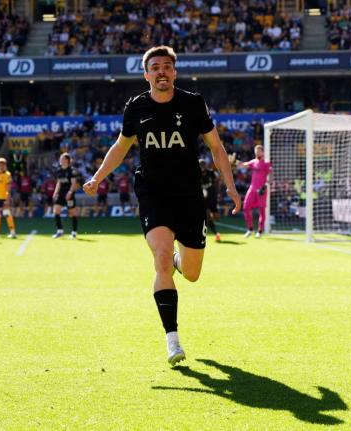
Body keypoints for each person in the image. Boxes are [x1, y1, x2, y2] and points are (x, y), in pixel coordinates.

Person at [82, 46, 241, 366]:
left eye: (167, 66)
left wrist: (231, 186)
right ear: (146, 75)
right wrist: (98, 177)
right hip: (153, 192)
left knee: (192, 274)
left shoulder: (193, 103)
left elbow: (216, 147)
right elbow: (120, 146)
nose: (161, 72)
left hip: (189, 195)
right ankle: (173, 341)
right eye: (155, 67)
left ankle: (182, 261)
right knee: (162, 257)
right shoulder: (136, 106)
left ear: (175, 72)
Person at [233, 145, 272, 238]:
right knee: (246, 207)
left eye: (259, 151)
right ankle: (250, 229)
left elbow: (270, 175)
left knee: (261, 210)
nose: (257, 153)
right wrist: (235, 161)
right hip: (252, 189)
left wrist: (266, 185)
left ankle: (260, 231)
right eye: (256, 151)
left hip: (261, 190)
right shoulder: (253, 162)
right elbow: (242, 165)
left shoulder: (266, 163)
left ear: (263, 152)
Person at [53, 152, 79, 238]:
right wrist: (55, 192)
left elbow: (74, 183)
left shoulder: (72, 171)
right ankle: (60, 231)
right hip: (61, 194)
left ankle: (74, 232)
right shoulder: (59, 170)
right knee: (56, 210)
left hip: (69, 194)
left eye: (62, 159)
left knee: (72, 212)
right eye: (60, 159)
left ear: (67, 160)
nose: (60, 160)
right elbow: (59, 183)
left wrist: (70, 192)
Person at [199, 159, 222, 242]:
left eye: (203, 164)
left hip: (212, 197)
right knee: (208, 216)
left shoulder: (211, 173)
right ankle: (216, 233)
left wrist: (219, 193)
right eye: (200, 164)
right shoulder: (196, 174)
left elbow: (217, 181)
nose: (202, 166)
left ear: (206, 165)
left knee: (217, 217)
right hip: (203, 200)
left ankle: (213, 225)